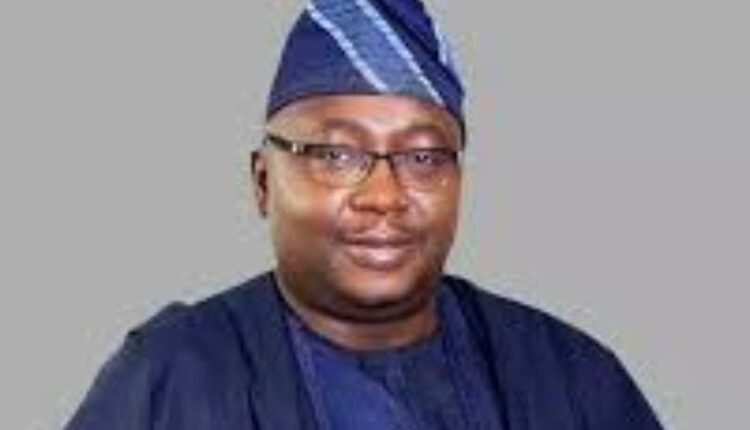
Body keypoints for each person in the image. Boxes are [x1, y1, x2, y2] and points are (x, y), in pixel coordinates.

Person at [65, 0, 664, 429]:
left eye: (423, 157)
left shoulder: (571, 381)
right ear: (262, 181)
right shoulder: (169, 382)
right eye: (335, 155)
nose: (384, 194)